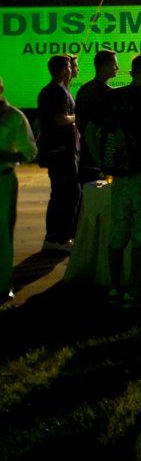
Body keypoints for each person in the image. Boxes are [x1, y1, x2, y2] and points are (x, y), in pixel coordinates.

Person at [87, 52, 141, 303]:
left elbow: (90, 132)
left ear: (132, 72)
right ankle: (133, 287)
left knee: (118, 232)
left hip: (119, 176)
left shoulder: (112, 97)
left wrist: (102, 162)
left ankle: (114, 285)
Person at [0, 76, 38, 302]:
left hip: (3, 179)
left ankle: (3, 286)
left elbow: (30, 151)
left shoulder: (14, 117)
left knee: (3, 234)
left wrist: (7, 155)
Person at [37, 54, 79, 253]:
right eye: (70, 67)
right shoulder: (55, 92)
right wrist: (76, 118)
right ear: (63, 70)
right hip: (60, 151)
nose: (73, 70)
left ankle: (60, 235)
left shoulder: (60, 90)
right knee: (66, 193)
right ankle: (57, 237)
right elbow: (60, 119)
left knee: (64, 192)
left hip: (64, 150)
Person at [75, 49, 119, 187]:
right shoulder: (109, 94)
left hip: (83, 153)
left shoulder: (84, 90)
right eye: (114, 65)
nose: (117, 68)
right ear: (104, 66)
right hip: (102, 153)